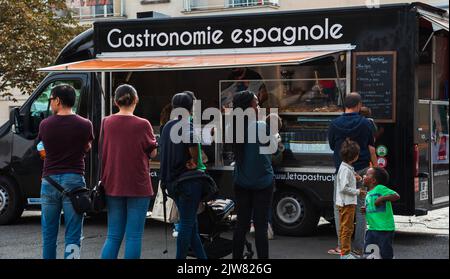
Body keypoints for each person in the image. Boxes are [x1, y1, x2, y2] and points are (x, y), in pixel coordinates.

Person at [100, 84, 157, 259]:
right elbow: (152, 152)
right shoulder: (143, 124)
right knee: (134, 236)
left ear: (116, 102)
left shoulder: (106, 122)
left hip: (112, 183)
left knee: (113, 235)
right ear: (136, 100)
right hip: (138, 185)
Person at [38, 84, 94, 259]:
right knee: (73, 235)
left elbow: (42, 148)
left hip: (49, 182)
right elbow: (87, 147)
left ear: (58, 101)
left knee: (49, 236)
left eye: (52, 99)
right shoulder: (85, 124)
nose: (51, 103)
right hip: (74, 182)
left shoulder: (45, 124)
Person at [159, 91, 207, 259]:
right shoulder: (186, 124)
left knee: (191, 226)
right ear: (190, 107)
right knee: (187, 225)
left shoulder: (167, 127)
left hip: (171, 183)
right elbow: (193, 147)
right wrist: (193, 160)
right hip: (187, 183)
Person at [327, 92, 375, 256]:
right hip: (361, 170)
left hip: (342, 170)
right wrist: (375, 168)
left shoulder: (334, 124)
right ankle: (359, 248)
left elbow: (333, 146)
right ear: (359, 105)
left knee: (339, 207)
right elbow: (371, 147)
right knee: (361, 209)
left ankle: (342, 246)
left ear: (345, 105)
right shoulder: (366, 124)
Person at [232, 90, 274, 259]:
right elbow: (271, 151)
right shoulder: (261, 126)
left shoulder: (232, 127)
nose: (258, 107)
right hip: (263, 182)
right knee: (261, 226)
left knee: (241, 225)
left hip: (241, 181)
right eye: (256, 104)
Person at [336, 139, 367, 259]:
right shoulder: (345, 170)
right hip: (346, 203)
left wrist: (358, 178)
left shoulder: (347, 168)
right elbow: (344, 188)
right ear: (354, 157)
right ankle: (345, 254)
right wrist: (358, 192)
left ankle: (346, 252)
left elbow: (348, 179)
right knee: (347, 229)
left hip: (348, 202)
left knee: (348, 228)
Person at [361, 167, 400, 259]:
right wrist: (366, 209)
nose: (364, 176)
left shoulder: (380, 188)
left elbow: (396, 196)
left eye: (367, 175)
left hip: (384, 229)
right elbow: (373, 207)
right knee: (369, 252)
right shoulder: (368, 193)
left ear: (373, 180)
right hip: (372, 228)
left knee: (385, 253)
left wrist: (381, 198)